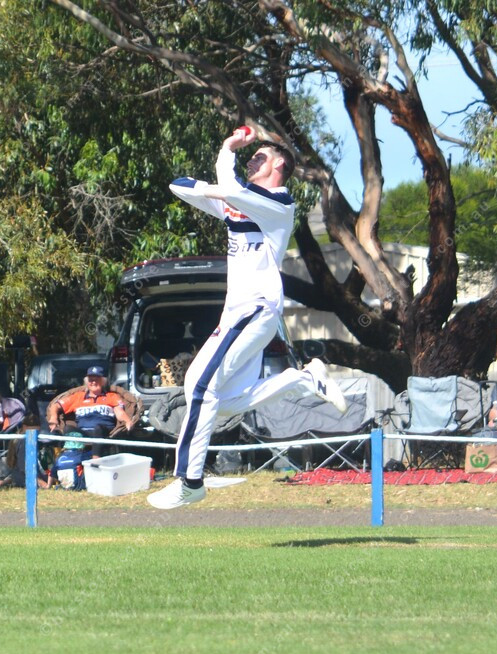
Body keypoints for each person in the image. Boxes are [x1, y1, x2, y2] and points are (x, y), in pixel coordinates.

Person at [147, 127, 347, 510]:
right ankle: (302, 379)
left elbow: (234, 191)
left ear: (280, 166)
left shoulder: (279, 203)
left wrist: (226, 157)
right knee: (214, 398)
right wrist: (220, 169)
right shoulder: (237, 200)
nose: (251, 160)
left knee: (202, 388)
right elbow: (179, 186)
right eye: (251, 156)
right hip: (236, 313)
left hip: (256, 307)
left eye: (260, 156)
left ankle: (189, 480)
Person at [46, 365, 133, 444]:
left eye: (97, 379)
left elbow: (120, 412)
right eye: (91, 380)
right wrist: (53, 418)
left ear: (103, 381)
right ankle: (74, 453)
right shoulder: (78, 396)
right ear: (87, 382)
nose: (93, 382)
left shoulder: (111, 396)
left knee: (98, 428)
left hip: (104, 431)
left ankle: (96, 455)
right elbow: (55, 405)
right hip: (83, 432)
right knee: (68, 429)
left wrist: (127, 421)